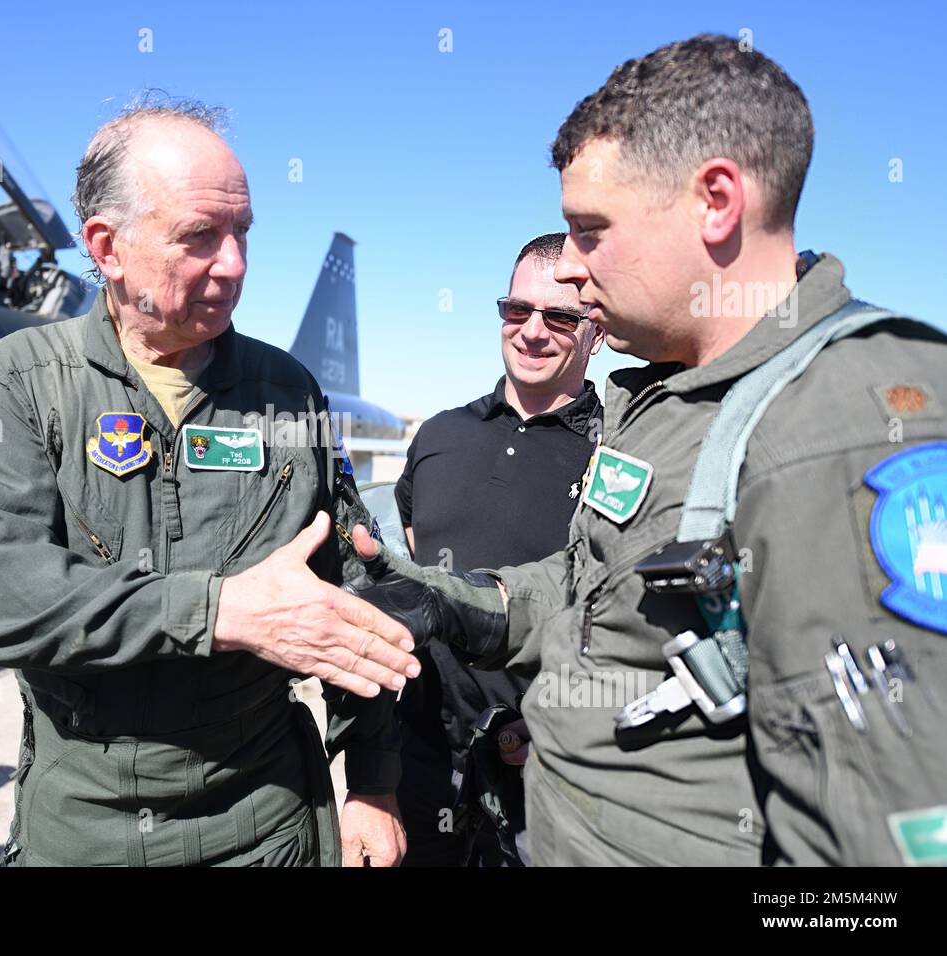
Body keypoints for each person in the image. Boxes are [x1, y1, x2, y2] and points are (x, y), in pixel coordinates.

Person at [347, 34, 947, 865]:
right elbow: (595, 590)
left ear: (715, 201)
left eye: (592, 232)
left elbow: (888, 831)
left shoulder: (852, 416)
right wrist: (456, 601)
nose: (576, 276)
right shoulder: (664, 396)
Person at [0, 99, 419, 867]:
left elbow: (354, 600)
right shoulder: (21, 385)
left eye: (242, 234)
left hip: (265, 821)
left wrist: (373, 785)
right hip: (86, 826)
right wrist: (221, 609)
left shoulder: (287, 392)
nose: (233, 264)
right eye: (199, 236)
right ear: (108, 247)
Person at [393, 232, 603, 866]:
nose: (532, 331)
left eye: (559, 317)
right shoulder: (439, 436)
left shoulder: (618, 450)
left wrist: (555, 725)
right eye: (517, 311)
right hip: (422, 758)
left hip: (550, 769)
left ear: (593, 330)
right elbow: (411, 566)